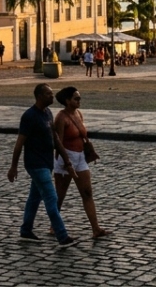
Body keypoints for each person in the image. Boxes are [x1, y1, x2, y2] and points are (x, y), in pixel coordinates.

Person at [7, 83, 77, 247]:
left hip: (47, 163)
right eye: (48, 94)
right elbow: (19, 143)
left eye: (52, 94)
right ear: (39, 97)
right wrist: (13, 166)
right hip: (35, 164)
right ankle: (62, 236)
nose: (52, 97)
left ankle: (26, 230)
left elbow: (56, 140)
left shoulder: (48, 113)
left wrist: (67, 161)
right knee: (51, 198)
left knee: (34, 197)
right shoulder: (29, 116)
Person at [52, 86, 109, 239]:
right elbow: (58, 143)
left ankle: (95, 228)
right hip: (66, 157)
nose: (79, 101)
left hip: (80, 157)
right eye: (76, 98)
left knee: (87, 192)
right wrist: (66, 162)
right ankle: (54, 225)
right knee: (60, 195)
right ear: (67, 101)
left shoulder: (78, 114)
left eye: (79, 98)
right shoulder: (61, 118)